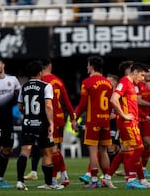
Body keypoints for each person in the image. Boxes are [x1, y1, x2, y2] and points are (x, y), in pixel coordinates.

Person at [24, 58, 76, 186]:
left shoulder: (41, 82)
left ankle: (53, 179)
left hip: (47, 119)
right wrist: (73, 117)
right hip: (59, 118)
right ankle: (64, 175)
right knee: (54, 149)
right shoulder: (58, 80)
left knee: (51, 151)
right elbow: (66, 101)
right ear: (50, 66)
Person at [108, 62, 150, 189]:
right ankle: (131, 180)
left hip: (132, 121)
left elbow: (133, 106)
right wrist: (124, 115)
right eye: (141, 75)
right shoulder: (124, 82)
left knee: (125, 152)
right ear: (135, 72)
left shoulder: (131, 84)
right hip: (127, 123)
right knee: (139, 148)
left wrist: (145, 117)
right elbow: (113, 99)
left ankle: (108, 177)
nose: (142, 79)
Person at [16, 61, 64, 190]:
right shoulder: (46, 86)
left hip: (27, 122)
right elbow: (48, 105)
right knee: (47, 152)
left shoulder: (24, 86)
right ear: (40, 72)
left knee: (25, 151)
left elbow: (20, 106)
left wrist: (27, 114)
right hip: (41, 123)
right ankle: (48, 184)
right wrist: (51, 123)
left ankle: (20, 181)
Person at [71, 56, 114, 189]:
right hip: (105, 120)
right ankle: (107, 179)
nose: (87, 67)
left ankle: (94, 181)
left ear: (92, 66)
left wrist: (74, 118)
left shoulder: (87, 82)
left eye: (88, 65)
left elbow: (82, 104)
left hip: (93, 121)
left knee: (93, 151)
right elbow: (111, 104)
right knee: (104, 151)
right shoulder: (109, 83)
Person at [0, 57, 21, 188]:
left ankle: (0, 177)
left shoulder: (13, 80)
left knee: (8, 149)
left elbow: (19, 94)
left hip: (8, 120)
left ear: (3, 65)